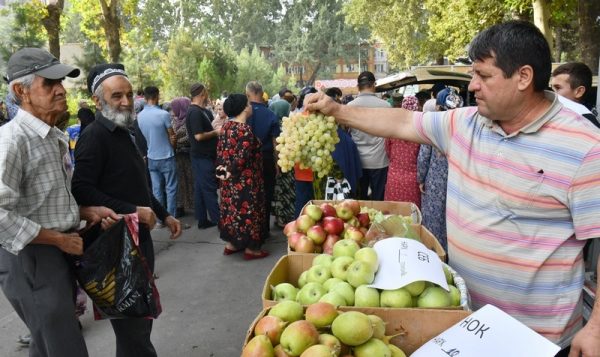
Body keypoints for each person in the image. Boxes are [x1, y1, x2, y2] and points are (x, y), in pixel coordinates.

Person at [306, 21, 600, 357]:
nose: (473, 85)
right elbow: (402, 122)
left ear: (523, 77)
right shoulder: (465, 123)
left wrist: (597, 328)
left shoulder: (584, 147)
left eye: (484, 76)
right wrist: (336, 111)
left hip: (538, 341)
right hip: (466, 324)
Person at [0, 47, 120, 357]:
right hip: (33, 257)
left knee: (48, 344)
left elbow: (42, 199)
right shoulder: (13, 140)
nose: (60, 91)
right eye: (49, 84)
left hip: (53, 252)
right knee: (64, 347)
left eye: (61, 83)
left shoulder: (50, 135)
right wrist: (58, 239)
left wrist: (83, 211)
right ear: (20, 91)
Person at [72, 63, 182, 357]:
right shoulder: (93, 136)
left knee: (139, 325)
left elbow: (141, 184)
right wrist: (132, 210)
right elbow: (81, 190)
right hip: (116, 248)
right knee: (134, 332)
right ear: (98, 101)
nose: (125, 102)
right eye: (116, 96)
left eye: (129, 95)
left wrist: (163, 213)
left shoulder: (125, 130)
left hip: (138, 241)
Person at [216, 94, 269, 260]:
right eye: (248, 104)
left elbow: (221, 153)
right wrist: (231, 171)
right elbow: (241, 158)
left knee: (231, 211)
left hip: (228, 182)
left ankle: (232, 244)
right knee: (249, 212)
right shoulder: (244, 130)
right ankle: (252, 250)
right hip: (246, 182)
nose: (251, 106)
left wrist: (223, 173)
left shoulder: (226, 127)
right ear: (245, 107)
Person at [417, 88, 464, 250]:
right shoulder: (464, 126)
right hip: (457, 182)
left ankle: (435, 251)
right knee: (452, 219)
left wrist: (420, 179)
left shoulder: (433, 127)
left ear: (438, 107)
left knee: (433, 219)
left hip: (435, 182)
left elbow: (424, 157)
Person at [137, 86, 178, 220]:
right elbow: (172, 136)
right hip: (166, 155)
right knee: (171, 188)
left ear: (145, 97)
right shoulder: (163, 114)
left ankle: (160, 219)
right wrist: (173, 146)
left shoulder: (140, 116)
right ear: (157, 96)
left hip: (151, 156)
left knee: (156, 190)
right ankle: (171, 218)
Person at [348, 71, 390, 201]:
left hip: (358, 160)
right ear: (374, 85)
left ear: (358, 86)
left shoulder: (349, 107)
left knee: (359, 201)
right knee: (379, 199)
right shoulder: (386, 106)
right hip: (379, 160)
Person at [246, 81, 281, 237]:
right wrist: (277, 163)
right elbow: (275, 144)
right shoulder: (271, 115)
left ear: (248, 94)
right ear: (262, 93)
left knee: (248, 195)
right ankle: (264, 229)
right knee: (266, 194)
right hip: (266, 159)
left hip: (246, 159)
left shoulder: (243, 114)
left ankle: (250, 230)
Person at [186, 82, 220, 229]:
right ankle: (219, 221)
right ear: (202, 94)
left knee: (201, 188)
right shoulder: (194, 112)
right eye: (206, 93)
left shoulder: (201, 111)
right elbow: (199, 136)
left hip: (204, 156)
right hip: (201, 156)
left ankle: (202, 219)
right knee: (209, 188)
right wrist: (216, 132)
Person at [384, 96, 421, 206]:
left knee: (393, 211)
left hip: (394, 177)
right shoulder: (420, 132)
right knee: (411, 214)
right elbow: (423, 158)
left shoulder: (392, 129)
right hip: (413, 180)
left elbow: (388, 151)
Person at [551, 62, 600, 127]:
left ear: (579, 91)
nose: (552, 93)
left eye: (558, 88)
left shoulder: (588, 124)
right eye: (552, 88)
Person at [170, 97, 194, 218]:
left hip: (186, 155)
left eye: (174, 107)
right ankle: (181, 206)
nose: (172, 110)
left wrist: (176, 142)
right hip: (177, 156)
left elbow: (190, 137)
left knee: (189, 180)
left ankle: (193, 205)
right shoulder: (173, 120)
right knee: (180, 182)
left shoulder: (188, 120)